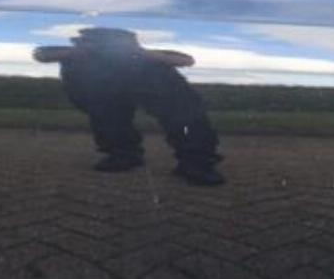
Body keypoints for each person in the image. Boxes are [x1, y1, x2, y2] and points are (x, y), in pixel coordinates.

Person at [34, 27, 223, 186]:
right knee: (107, 116)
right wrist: (79, 53)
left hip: (145, 73)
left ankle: (196, 162)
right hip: (100, 83)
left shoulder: (146, 57)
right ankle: (123, 155)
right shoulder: (76, 54)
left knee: (182, 112)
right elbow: (41, 54)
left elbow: (187, 60)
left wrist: (142, 54)